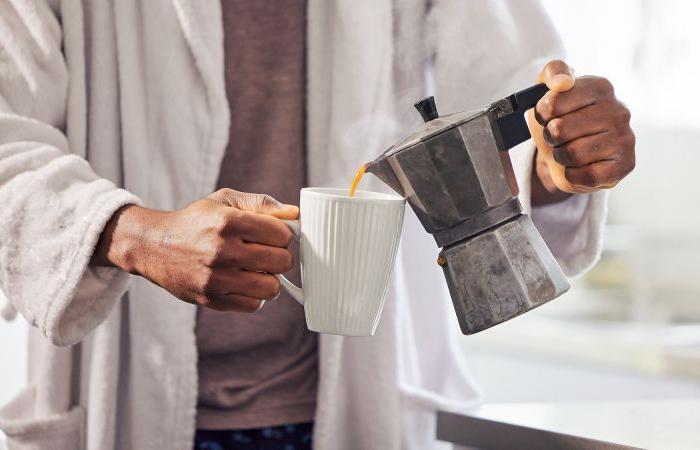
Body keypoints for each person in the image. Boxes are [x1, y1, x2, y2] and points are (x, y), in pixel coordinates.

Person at [0, 1, 634, 449]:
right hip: (116, 400)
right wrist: (139, 236)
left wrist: (566, 154)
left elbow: (520, 96)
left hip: (363, 401)